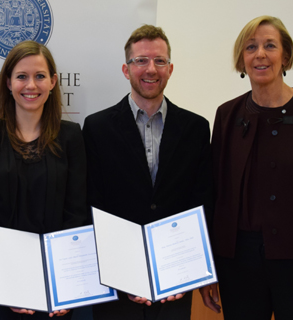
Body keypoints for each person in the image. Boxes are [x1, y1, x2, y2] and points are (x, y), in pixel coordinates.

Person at [207, 15, 293, 320]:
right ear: (241, 60)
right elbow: (216, 196)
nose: (260, 54)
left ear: (285, 56)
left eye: (270, 46)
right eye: (251, 47)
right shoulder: (227, 115)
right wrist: (210, 271)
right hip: (238, 268)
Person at [82, 24, 212, 320]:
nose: (151, 68)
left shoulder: (196, 128)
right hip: (117, 285)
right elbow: (93, 203)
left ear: (171, 68)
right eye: (141, 60)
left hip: (176, 282)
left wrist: (189, 270)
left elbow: (202, 201)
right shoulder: (97, 128)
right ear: (126, 70)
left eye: (159, 61)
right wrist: (121, 274)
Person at [0, 40, 86, 319]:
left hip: (53, 280)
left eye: (40, 76)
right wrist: (10, 279)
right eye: (22, 76)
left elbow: (76, 212)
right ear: (8, 82)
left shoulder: (71, 136)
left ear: (53, 82)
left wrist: (62, 282)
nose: (31, 85)